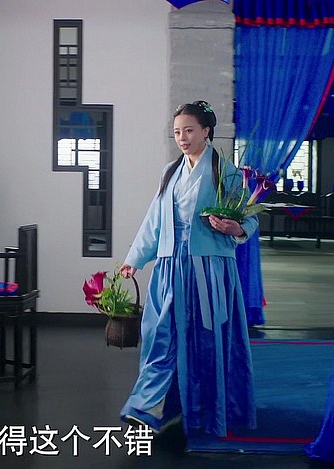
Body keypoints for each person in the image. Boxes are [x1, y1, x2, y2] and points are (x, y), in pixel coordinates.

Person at [118, 101, 257, 444]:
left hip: (209, 268)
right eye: (177, 131)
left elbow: (250, 217)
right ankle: (147, 407)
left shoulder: (225, 172)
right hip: (170, 266)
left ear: (206, 131)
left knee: (206, 341)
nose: (182, 137)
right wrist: (135, 258)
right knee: (160, 335)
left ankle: (205, 409)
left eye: (189, 130)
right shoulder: (170, 172)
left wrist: (235, 228)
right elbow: (154, 220)